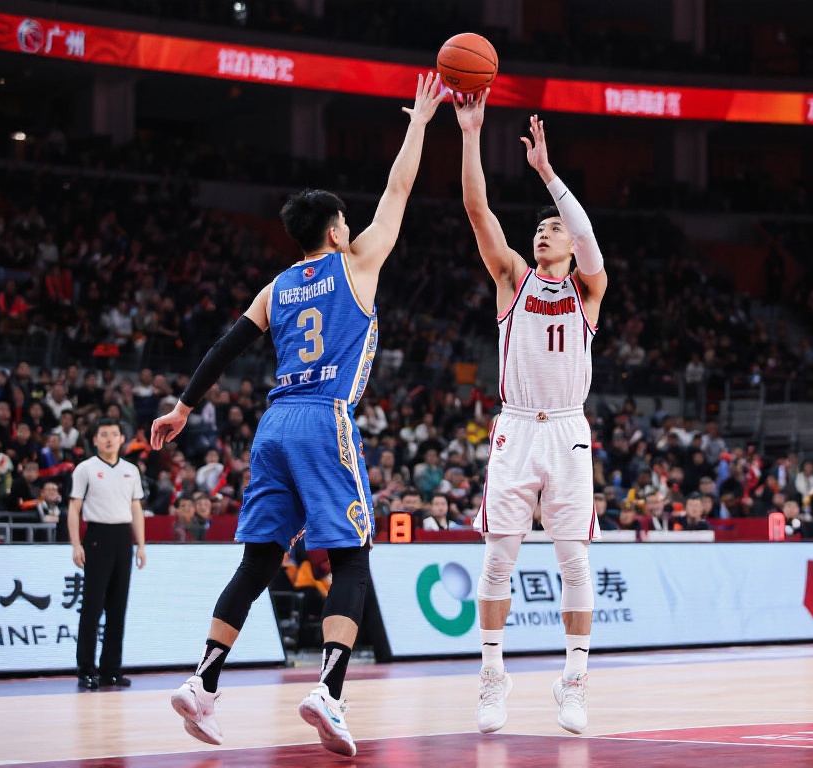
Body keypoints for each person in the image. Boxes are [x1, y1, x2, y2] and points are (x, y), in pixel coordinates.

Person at [150, 74, 444, 758]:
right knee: (352, 555)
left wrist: (183, 406)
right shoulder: (357, 262)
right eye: (347, 220)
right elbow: (399, 191)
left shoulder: (277, 285)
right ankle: (331, 691)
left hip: (273, 428)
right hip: (322, 418)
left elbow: (226, 346)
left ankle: (202, 683)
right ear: (338, 229)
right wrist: (421, 123)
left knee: (258, 561)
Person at [454, 91, 608, 736]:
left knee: (575, 562)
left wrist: (547, 171)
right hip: (516, 426)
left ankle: (573, 680)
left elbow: (590, 238)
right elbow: (476, 209)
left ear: (569, 245)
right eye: (539, 227)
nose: (543, 233)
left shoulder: (589, 287)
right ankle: (493, 676)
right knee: (498, 560)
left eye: (554, 229)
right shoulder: (513, 278)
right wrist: (471, 133)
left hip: (568, 429)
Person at [67, 417, 147, 691]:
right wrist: (76, 544)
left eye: (114, 434)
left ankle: (111, 669)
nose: (110, 438)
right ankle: (86, 669)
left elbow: (136, 508)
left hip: (123, 538)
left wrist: (141, 544)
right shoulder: (85, 469)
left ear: (122, 438)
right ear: (95, 439)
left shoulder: (131, 470)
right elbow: (74, 509)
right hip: (97, 537)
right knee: (92, 607)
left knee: (117, 607)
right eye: (104, 434)